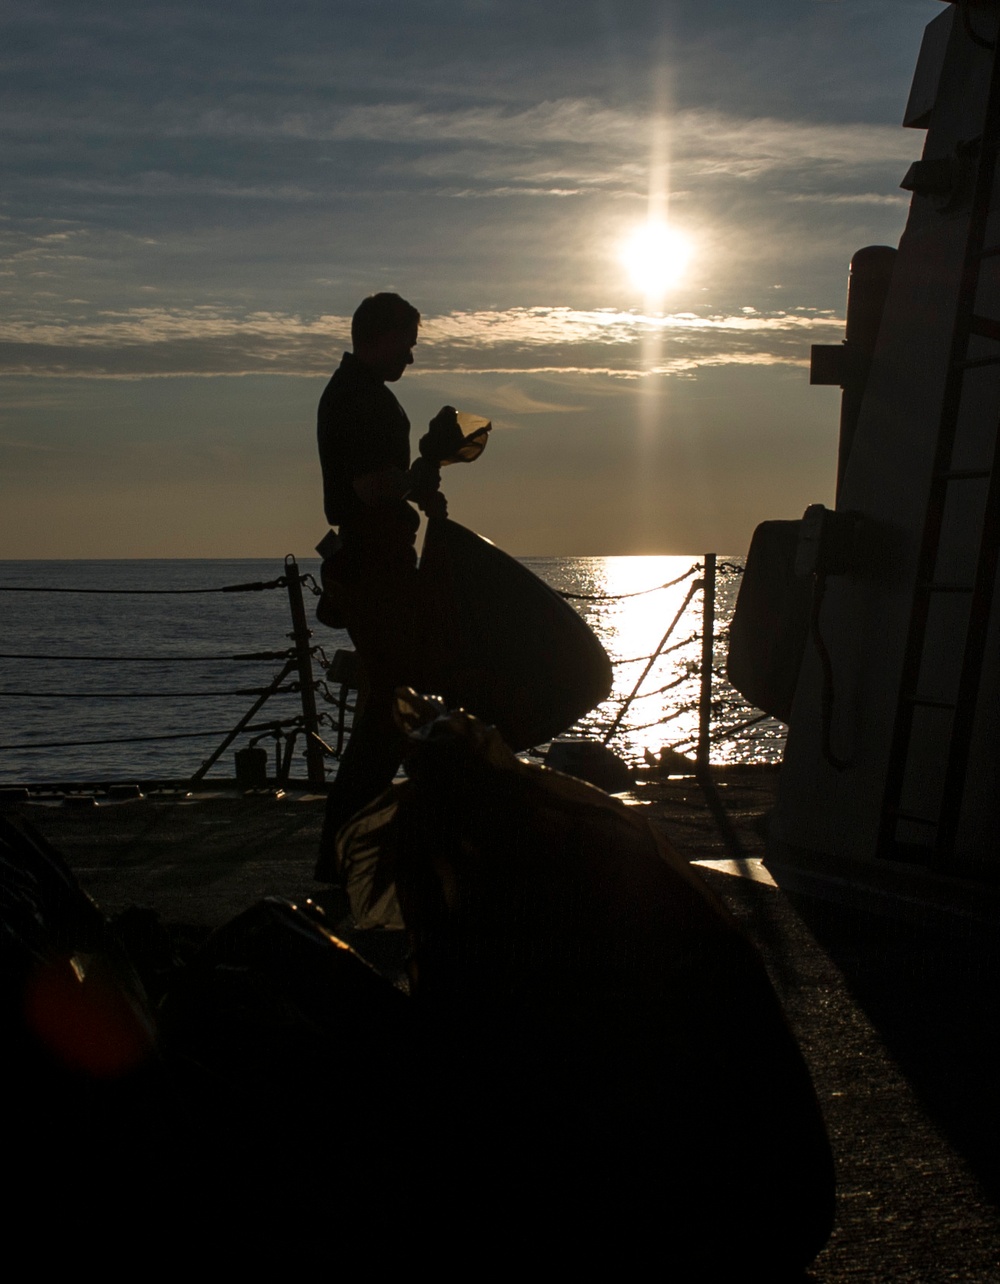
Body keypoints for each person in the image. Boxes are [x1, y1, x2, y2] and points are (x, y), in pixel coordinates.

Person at [314, 292, 459, 881]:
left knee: (390, 710)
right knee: (388, 716)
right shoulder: (356, 399)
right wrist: (420, 474)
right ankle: (344, 858)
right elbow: (371, 489)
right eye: (407, 344)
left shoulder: (363, 395)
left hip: (380, 564)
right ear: (378, 337)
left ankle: (354, 855)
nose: (412, 357)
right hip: (377, 570)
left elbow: (379, 486)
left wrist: (421, 484)